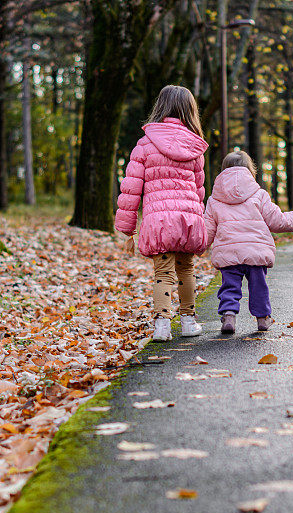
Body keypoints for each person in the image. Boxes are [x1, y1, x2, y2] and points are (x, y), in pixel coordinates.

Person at [115, 85, 208, 342]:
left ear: (161, 107)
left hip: (159, 220)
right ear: (190, 112)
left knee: (163, 274)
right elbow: (199, 190)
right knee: (187, 270)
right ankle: (188, 322)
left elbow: (132, 188)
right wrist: (198, 217)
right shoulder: (195, 148)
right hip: (187, 219)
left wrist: (127, 226)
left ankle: (162, 326)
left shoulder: (145, 144)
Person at [204, 151, 293, 334]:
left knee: (229, 286)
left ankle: (229, 315)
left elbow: (207, 230)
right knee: (258, 285)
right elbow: (276, 220)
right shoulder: (259, 194)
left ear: (223, 170)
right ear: (250, 171)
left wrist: (197, 245)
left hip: (228, 252)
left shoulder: (214, 198)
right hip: (256, 251)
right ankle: (263, 318)